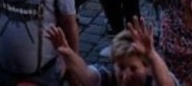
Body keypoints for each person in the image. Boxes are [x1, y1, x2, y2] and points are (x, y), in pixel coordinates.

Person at [46, 17, 178, 86]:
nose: (125, 76)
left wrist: (151, 54)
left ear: (147, 67)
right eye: (120, 67)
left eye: (133, 68)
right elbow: (86, 76)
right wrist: (68, 53)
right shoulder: (108, 79)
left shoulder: (155, 78)